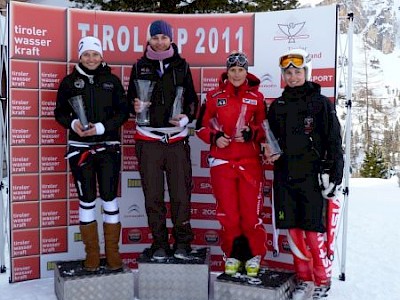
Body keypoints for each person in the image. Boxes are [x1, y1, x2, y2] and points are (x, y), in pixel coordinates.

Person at [266, 48, 344, 299]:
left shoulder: (321, 104)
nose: (292, 76)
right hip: (285, 176)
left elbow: (334, 141)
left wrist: (335, 174)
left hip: (312, 178)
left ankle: (322, 281)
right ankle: (303, 279)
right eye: (288, 72)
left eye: (297, 72)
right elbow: (270, 140)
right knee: (294, 232)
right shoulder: (277, 105)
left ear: (306, 72)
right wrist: (268, 151)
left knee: (313, 232)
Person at [55, 36, 130, 271]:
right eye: (86, 54)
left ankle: (112, 253)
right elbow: (59, 113)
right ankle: (92, 255)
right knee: (87, 200)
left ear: (101, 56)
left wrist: (101, 128)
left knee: (109, 198)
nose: (91, 58)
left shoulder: (112, 81)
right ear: (80, 56)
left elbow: (123, 114)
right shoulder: (69, 82)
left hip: (108, 148)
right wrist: (73, 123)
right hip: (80, 151)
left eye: (95, 54)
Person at [127, 20, 198, 260]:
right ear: (149, 40)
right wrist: (134, 106)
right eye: (155, 37)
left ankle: (182, 243)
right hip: (148, 140)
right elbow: (129, 101)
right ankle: (159, 242)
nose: (159, 42)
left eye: (164, 38)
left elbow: (192, 100)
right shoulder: (139, 66)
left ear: (171, 40)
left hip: (176, 140)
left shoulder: (182, 65)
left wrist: (186, 117)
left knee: (180, 195)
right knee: (153, 196)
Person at [195, 51, 267, 277]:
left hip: (249, 163)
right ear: (227, 72)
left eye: (241, 70)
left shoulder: (257, 98)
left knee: (250, 215)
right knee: (228, 214)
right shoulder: (214, 96)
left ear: (247, 72)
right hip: (222, 163)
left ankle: (254, 255)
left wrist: (252, 133)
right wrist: (215, 138)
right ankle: (233, 255)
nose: (237, 74)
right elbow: (200, 127)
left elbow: (266, 129)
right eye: (233, 70)